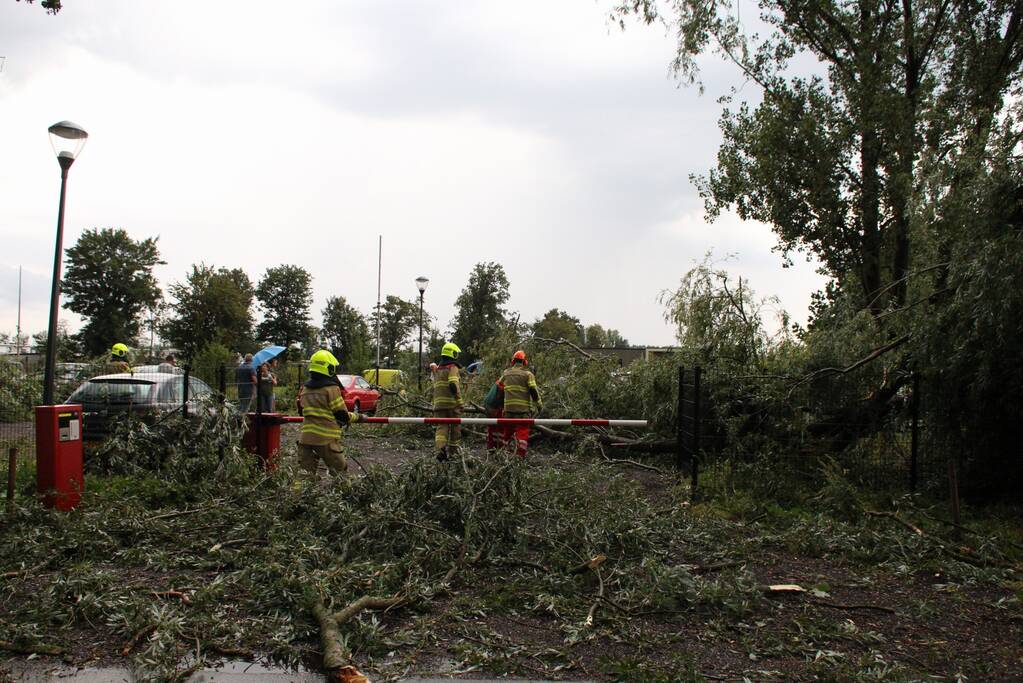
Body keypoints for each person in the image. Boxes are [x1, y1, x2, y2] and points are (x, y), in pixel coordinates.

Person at [296, 349, 362, 479]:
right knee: (340, 472)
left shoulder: (305, 389)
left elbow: (301, 410)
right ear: (329, 368)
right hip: (325, 439)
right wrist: (358, 417)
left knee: (304, 476)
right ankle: (344, 495)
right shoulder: (331, 389)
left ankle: (297, 498)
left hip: (306, 438)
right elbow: (341, 415)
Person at [496, 350, 543, 458]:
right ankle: (519, 458)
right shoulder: (528, 374)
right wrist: (539, 404)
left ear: (513, 362)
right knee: (522, 434)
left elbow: (499, 387)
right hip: (522, 411)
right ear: (524, 362)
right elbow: (533, 390)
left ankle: (505, 455)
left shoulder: (506, 373)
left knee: (507, 434)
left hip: (508, 411)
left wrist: (501, 406)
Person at [431, 342, 463, 461]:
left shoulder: (438, 369)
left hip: (438, 404)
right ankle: (454, 453)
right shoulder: (452, 368)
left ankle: (440, 450)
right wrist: (459, 401)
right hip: (451, 404)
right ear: (452, 354)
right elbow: (453, 384)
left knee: (441, 427)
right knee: (455, 427)